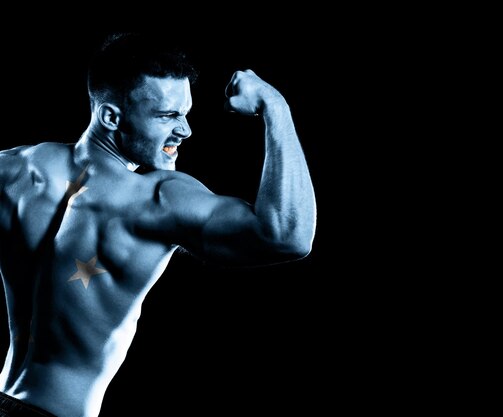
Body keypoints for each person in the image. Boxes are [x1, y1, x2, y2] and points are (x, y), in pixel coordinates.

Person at [0, 33, 316, 417]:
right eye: (167, 115)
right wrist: (275, 107)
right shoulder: (156, 198)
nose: (185, 131)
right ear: (111, 117)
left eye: (185, 114)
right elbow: (287, 234)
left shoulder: (15, 168)